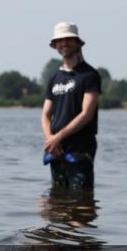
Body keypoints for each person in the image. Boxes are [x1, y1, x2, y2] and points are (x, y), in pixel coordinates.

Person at [41, 22, 101, 190]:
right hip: (56, 150)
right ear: (55, 45)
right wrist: (50, 141)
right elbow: (46, 115)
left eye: (68, 39)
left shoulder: (90, 75)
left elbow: (86, 114)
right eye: (60, 40)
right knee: (57, 198)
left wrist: (57, 137)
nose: (64, 43)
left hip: (80, 149)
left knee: (81, 199)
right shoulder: (54, 77)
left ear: (77, 43)